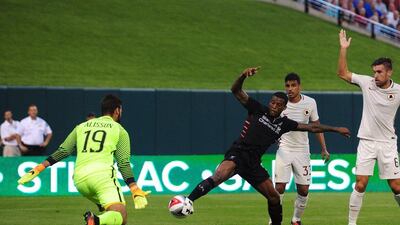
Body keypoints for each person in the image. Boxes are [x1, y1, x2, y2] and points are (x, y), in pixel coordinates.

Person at [181, 67, 351, 225]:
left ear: (284, 108)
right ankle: (189, 200)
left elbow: (312, 127)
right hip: (238, 153)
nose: (274, 106)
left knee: (274, 198)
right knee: (219, 175)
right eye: (272, 102)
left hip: (253, 163)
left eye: (278, 104)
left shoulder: (285, 123)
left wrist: (336, 129)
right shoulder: (257, 109)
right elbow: (236, 91)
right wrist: (242, 76)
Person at [17, 94, 150, 225]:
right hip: (102, 177)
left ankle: (97, 220)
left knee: (109, 213)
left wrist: (39, 167)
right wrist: (134, 188)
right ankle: (95, 220)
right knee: (121, 215)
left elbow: (64, 150)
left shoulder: (81, 127)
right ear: (117, 110)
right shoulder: (120, 130)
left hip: (80, 180)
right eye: (121, 110)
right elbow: (123, 163)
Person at [337, 29, 400, 225]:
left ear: (389, 72)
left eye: (379, 71)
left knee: (397, 186)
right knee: (360, 184)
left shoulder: (398, 90)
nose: (375, 75)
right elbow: (342, 73)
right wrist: (343, 48)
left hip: (388, 144)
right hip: (367, 142)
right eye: (374, 71)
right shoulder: (367, 83)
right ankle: (351, 223)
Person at [270, 73, 329, 225]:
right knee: (279, 188)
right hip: (284, 149)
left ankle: (296, 219)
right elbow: (271, 124)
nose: (290, 89)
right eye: (287, 86)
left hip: (302, 151)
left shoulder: (310, 103)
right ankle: (274, 220)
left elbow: (316, 126)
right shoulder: (280, 103)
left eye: (293, 85)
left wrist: (324, 148)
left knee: (303, 190)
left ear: (299, 86)